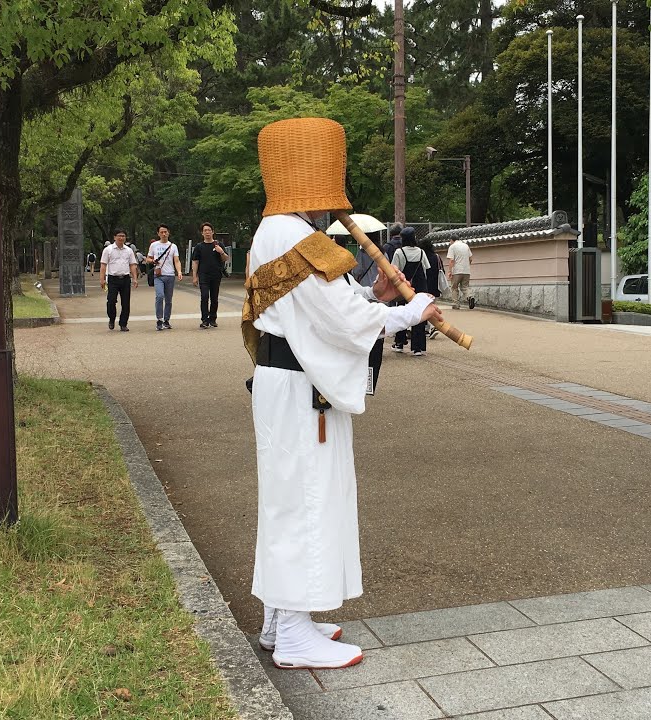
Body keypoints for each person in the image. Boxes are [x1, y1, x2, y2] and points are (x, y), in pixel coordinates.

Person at [243, 117, 442, 670]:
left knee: (290, 498)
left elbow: (320, 301)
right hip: (298, 385)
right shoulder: (292, 233)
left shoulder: (275, 230)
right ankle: (293, 635)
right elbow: (335, 316)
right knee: (304, 498)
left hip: (286, 381)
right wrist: (405, 312)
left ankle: (284, 619)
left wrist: (368, 292)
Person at [390, 227, 431, 356]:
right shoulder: (421, 252)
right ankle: (417, 347)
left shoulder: (399, 252)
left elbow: (395, 270)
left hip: (405, 286)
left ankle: (400, 342)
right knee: (419, 314)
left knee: (401, 312)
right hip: (420, 285)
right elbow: (426, 268)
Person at [191, 222, 228, 328]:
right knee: (204, 296)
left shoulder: (218, 245)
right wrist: (194, 276)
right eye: (205, 230)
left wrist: (221, 252)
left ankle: (213, 318)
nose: (207, 232)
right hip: (203, 275)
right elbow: (195, 261)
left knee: (214, 298)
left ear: (213, 232)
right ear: (202, 233)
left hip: (216, 274)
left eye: (209, 230)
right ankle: (204, 319)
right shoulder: (199, 247)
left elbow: (226, 258)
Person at [99, 229, 138, 331]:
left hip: (125, 278)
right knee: (111, 301)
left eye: (123, 236)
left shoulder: (129, 250)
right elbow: (103, 265)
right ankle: (112, 318)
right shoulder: (108, 250)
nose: (121, 238)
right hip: (113, 278)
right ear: (114, 237)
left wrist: (135, 278)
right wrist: (102, 279)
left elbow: (132, 265)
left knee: (126, 302)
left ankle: (123, 323)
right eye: (119, 236)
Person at [148, 224, 184, 331]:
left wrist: (179, 271)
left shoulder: (173, 246)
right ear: (158, 233)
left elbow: (176, 260)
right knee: (159, 296)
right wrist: (152, 261)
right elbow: (148, 259)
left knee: (168, 299)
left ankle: (166, 320)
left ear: (168, 233)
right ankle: (159, 319)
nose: (164, 234)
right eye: (161, 232)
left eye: (165, 232)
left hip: (170, 275)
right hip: (158, 275)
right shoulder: (154, 245)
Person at [446, 237, 473, 309]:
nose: (450, 242)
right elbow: (471, 258)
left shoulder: (452, 247)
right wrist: (467, 265)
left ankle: (455, 304)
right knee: (465, 286)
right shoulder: (466, 246)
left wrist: (449, 271)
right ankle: (469, 297)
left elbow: (451, 260)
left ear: (452, 240)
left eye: (450, 241)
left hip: (457, 270)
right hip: (466, 270)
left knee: (454, 287)